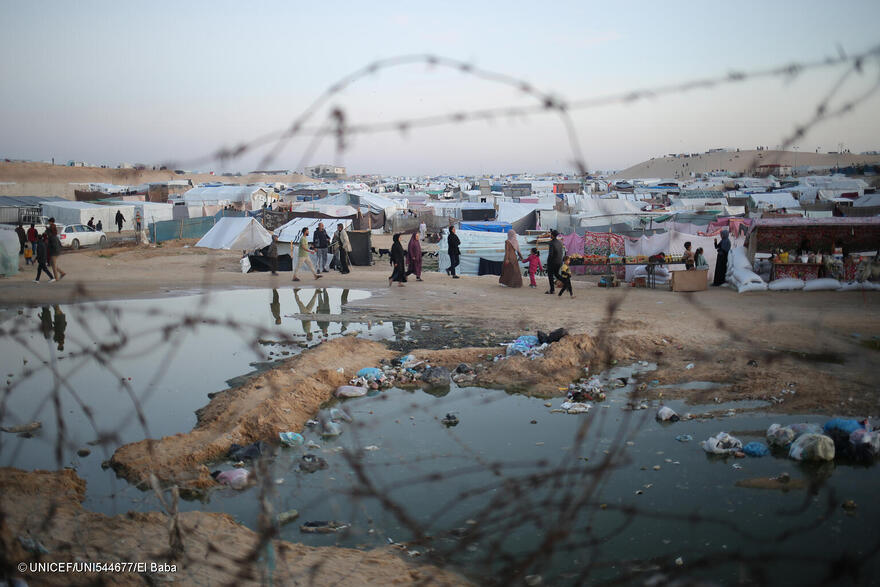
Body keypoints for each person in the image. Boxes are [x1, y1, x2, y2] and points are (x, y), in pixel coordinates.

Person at [546, 229, 564, 294]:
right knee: (556, 274)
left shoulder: (551, 243)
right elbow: (561, 252)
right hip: (559, 261)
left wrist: (548, 262)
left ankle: (552, 290)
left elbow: (551, 254)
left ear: (552, 235)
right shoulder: (560, 242)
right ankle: (566, 283)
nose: (550, 235)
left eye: (551, 234)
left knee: (550, 275)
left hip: (553, 262)